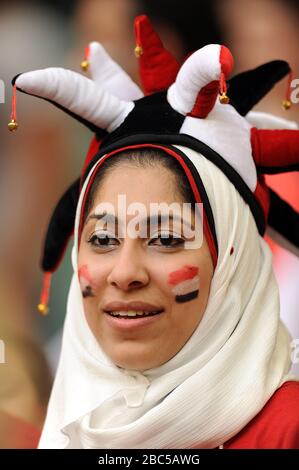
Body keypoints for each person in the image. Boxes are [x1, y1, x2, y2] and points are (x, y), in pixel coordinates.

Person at [10, 15, 299, 449]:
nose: (125, 273)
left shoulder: (287, 430)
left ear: (231, 260)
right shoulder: (65, 427)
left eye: (166, 239)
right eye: (103, 240)